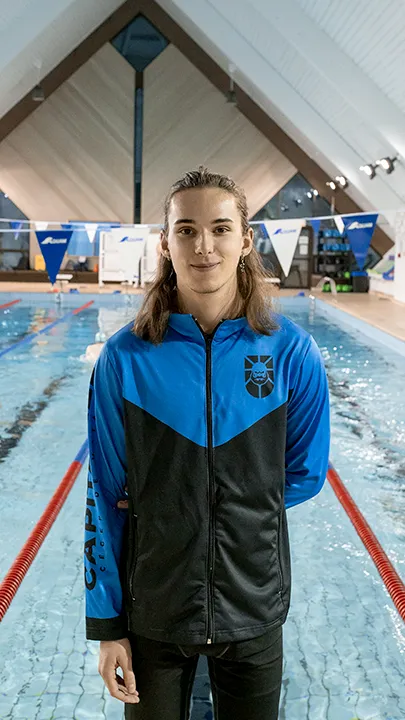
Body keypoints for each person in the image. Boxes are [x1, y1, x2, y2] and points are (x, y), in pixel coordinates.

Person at [84, 167, 330, 720]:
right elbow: (104, 491)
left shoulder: (291, 353)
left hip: (254, 604)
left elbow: (307, 472)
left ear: (245, 240)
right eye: (186, 230)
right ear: (166, 242)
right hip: (155, 608)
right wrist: (107, 628)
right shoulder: (126, 358)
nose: (204, 246)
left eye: (220, 228)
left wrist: (217, 510)